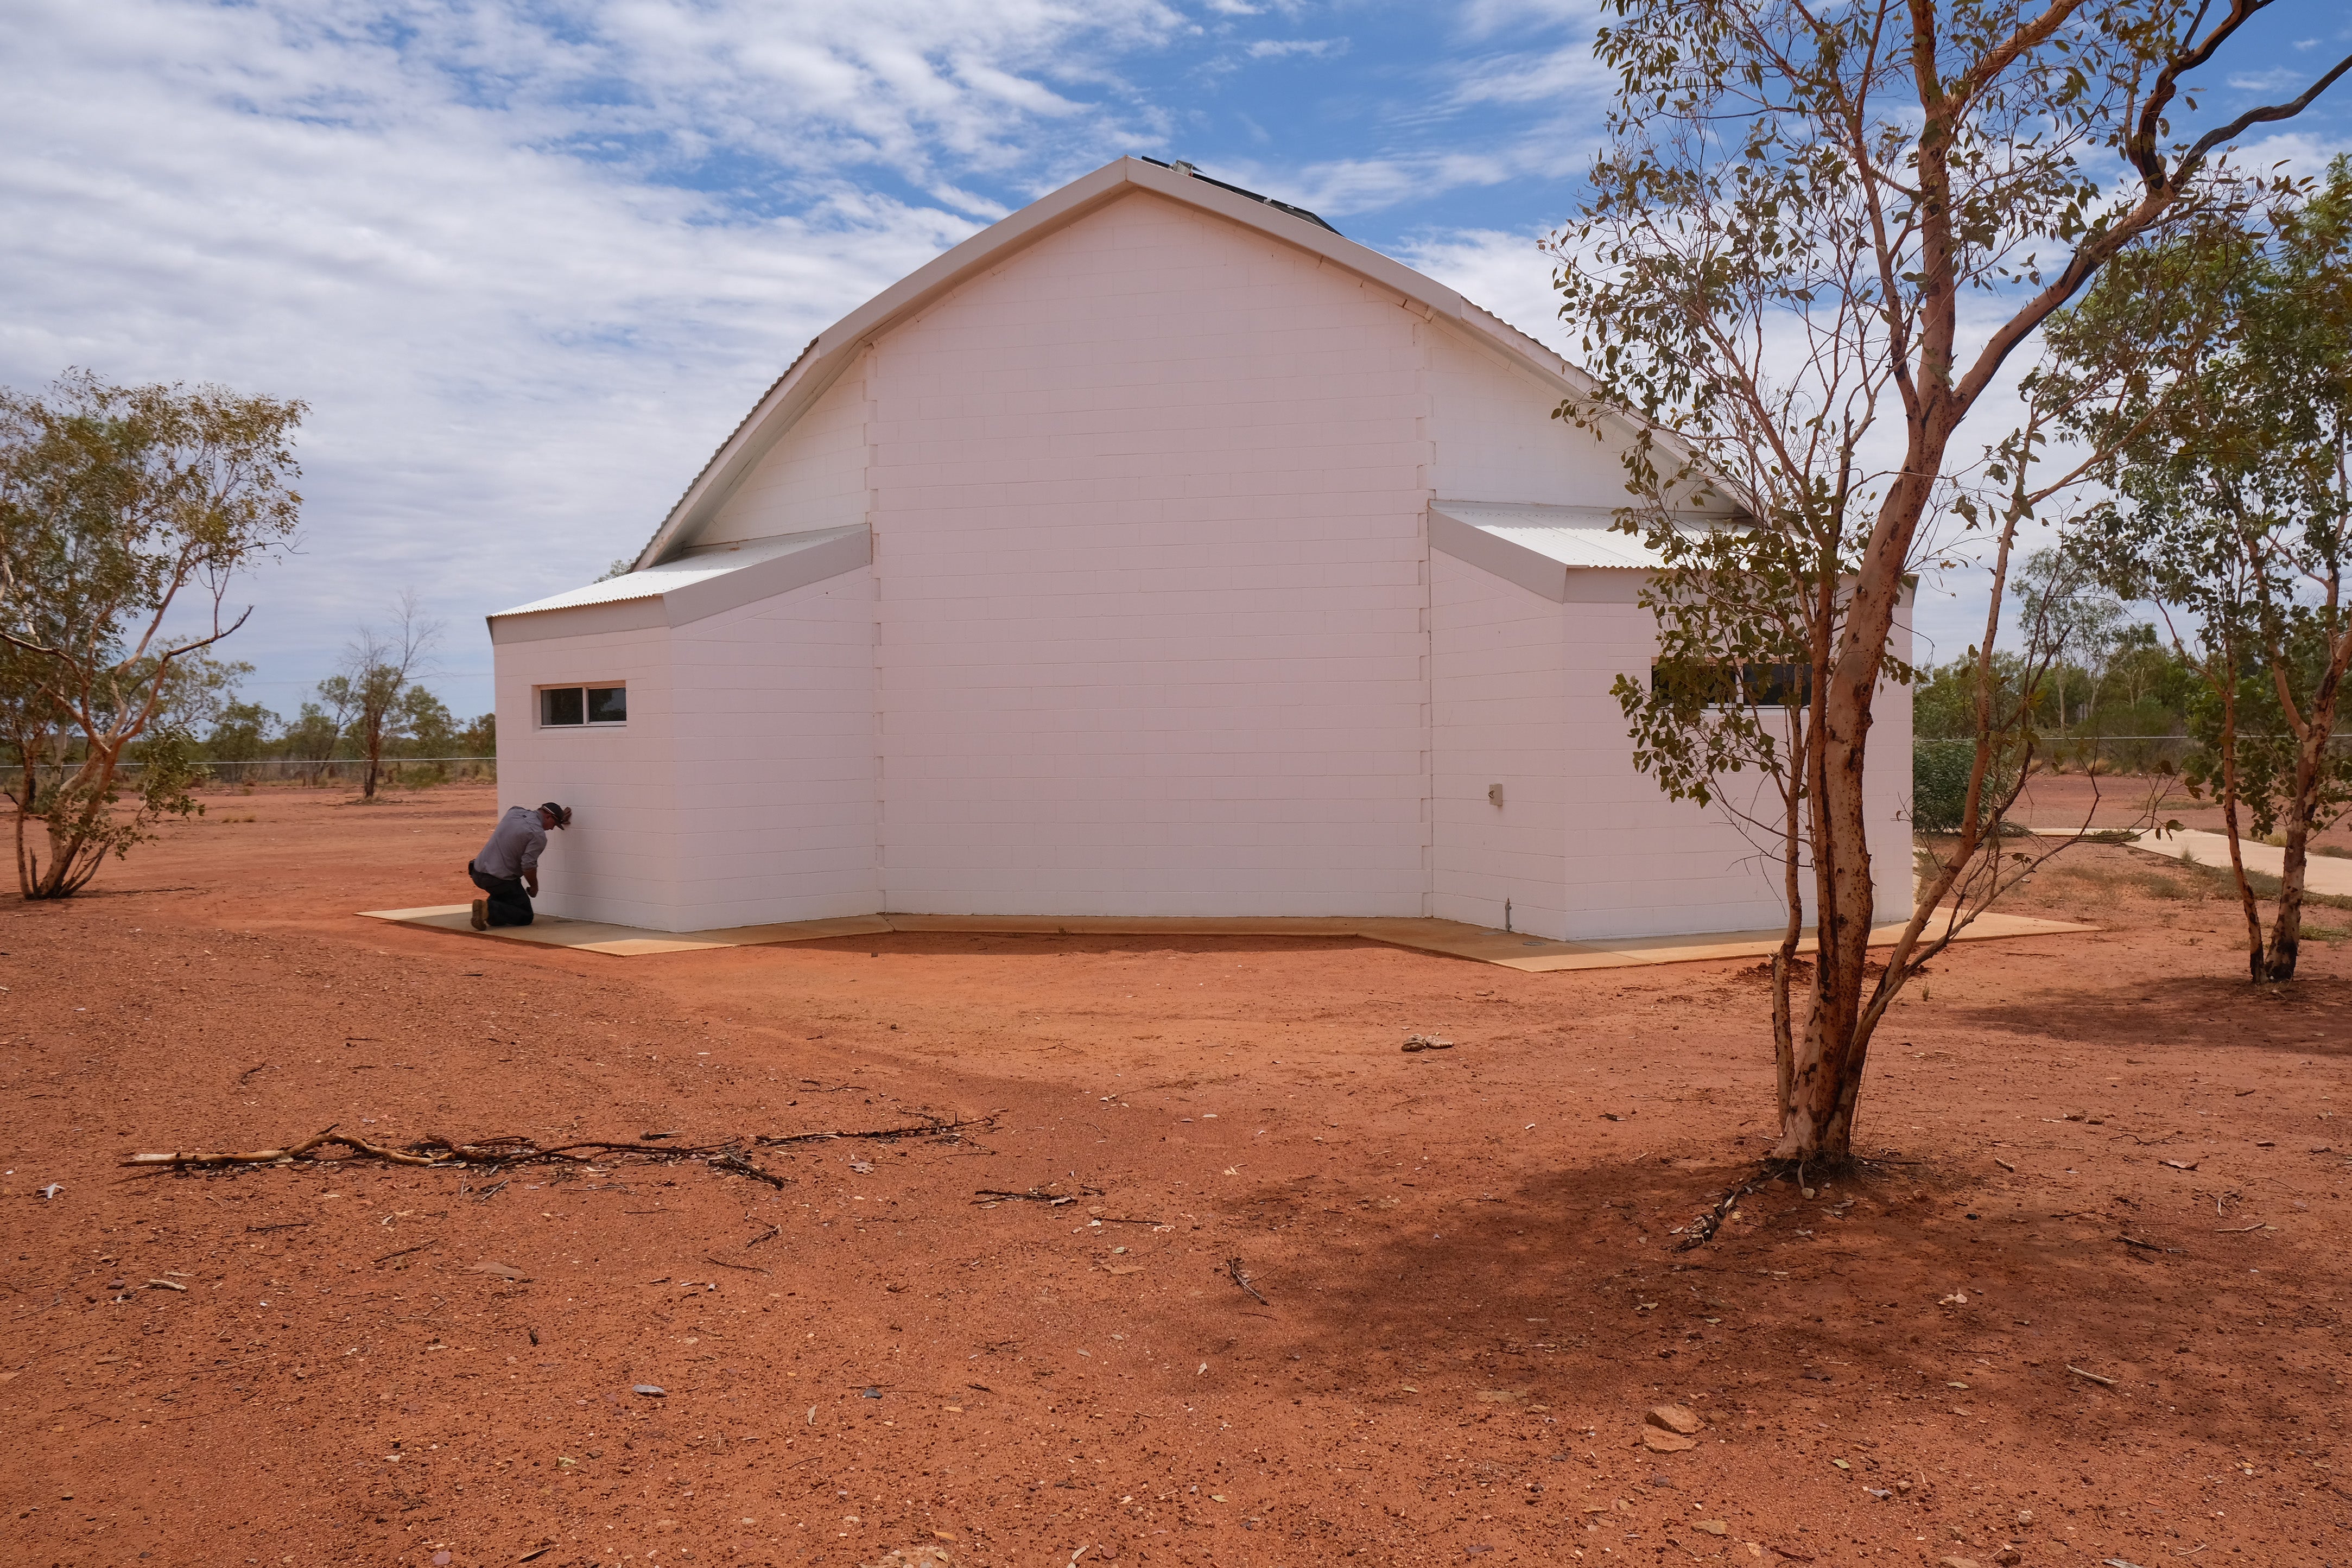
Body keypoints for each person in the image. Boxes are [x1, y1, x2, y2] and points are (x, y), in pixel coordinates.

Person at [468, 801, 571, 929]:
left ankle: (489, 912)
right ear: (548, 816)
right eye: (554, 825)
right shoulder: (538, 835)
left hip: (477, 873)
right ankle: (489, 908)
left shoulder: (514, 812)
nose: (552, 828)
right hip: (499, 880)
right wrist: (534, 886)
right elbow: (528, 866)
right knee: (525, 915)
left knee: (507, 901)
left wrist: (559, 819)